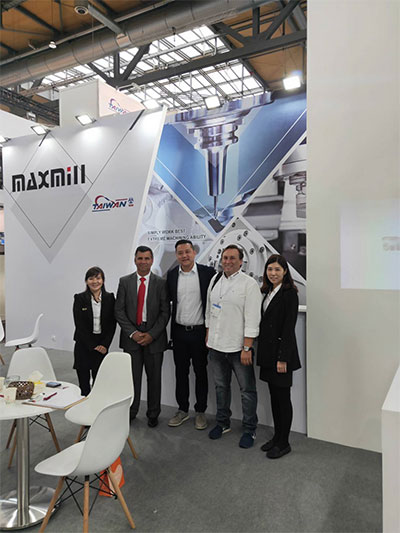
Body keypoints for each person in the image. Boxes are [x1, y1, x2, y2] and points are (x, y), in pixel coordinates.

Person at [205, 244, 262, 448]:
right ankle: (223, 423)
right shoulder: (215, 280)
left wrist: (247, 348)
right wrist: (208, 334)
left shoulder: (249, 284)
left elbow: (253, 318)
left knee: (247, 390)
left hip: (239, 348)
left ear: (241, 261)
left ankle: (249, 429)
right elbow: (209, 311)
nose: (227, 261)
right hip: (216, 346)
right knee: (221, 387)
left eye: (232, 258)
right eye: (225, 258)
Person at [115, 246, 170, 427]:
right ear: (135, 260)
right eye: (140, 258)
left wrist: (151, 335)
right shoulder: (125, 282)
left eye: (147, 258)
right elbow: (119, 311)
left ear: (152, 260)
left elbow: (165, 312)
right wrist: (133, 333)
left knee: (154, 379)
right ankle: (131, 411)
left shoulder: (161, 283)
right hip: (131, 338)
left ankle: (153, 413)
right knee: (132, 379)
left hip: (154, 338)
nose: (143, 262)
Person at [166, 239, 215, 430]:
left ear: (194, 252)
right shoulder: (171, 275)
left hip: (199, 333)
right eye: (180, 253)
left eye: (187, 252)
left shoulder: (208, 273)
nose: (184, 256)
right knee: (181, 373)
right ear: (176, 255)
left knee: (201, 373)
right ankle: (182, 409)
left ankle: (200, 411)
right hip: (179, 333)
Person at [257, 254, 301, 459]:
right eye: (270, 269)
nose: (273, 273)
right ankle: (277, 437)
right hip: (268, 354)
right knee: (274, 397)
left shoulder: (290, 293)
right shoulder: (266, 292)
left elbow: (288, 328)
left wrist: (283, 358)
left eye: (277, 269)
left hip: (282, 356)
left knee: (283, 399)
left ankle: (284, 442)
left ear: (285, 272)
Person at [73, 266, 116, 396]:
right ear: (86, 281)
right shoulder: (79, 298)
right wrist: (92, 345)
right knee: (84, 386)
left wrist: (104, 345)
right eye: (91, 278)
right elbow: (79, 324)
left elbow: (112, 324)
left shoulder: (110, 298)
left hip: (102, 345)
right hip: (84, 345)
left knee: (99, 383)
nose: (95, 281)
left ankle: (97, 406)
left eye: (98, 278)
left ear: (103, 280)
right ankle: (84, 405)